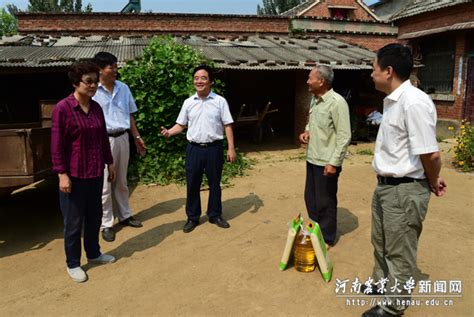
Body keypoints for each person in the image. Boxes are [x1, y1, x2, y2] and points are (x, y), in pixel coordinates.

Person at [362, 44, 447, 317]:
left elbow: (431, 154)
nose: (371, 74)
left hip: (404, 190)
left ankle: (394, 305)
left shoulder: (414, 102)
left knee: (399, 249)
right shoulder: (394, 101)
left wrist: (433, 180)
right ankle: (381, 283)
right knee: (381, 242)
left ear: (388, 71)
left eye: (373, 69)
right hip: (386, 187)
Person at [51, 61, 117, 283]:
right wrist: (62, 174)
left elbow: (102, 139)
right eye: (88, 82)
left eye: (95, 81)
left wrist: (110, 163)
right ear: (75, 83)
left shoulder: (96, 107)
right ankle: (73, 263)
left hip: (95, 171)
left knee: (94, 216)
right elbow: (57, 145)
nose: (93, 86)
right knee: (73, 221)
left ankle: (94, 253)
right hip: (74, 175)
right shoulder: (63, 108)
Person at [161, 65, 236, 233]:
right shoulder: (188, 102)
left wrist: (231, 148)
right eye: (196, 78)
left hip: (214, 149)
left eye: (203, 78)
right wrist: (169, 132)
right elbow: (181, 125)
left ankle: (215, 214)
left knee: (215, 183)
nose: (199, 81)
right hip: (194, 149)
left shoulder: (219, 101)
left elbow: (228, 125)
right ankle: (192, 217)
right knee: (192, 183)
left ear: (211, 82)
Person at [92, 52, 146, 242]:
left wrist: (136, 137)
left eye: (115, 66)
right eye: (111, 67)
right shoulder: (93, 92)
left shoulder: (123, 88)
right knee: (105, 184)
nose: (115, 70)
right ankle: (106, 223)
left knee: (121, 180)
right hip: (102, 141)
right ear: (100, 70)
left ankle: (124, 215)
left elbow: (130, 116)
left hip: (122, 138)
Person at [299, 65, 351, 249]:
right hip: (312, 158)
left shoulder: (337, 102)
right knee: (310, 198)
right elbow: (311, 122)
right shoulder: (315, 100)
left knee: (326, 200)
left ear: (321, 81)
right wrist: (306, 132)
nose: (307, 81)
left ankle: (327, 238)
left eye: (310, 78)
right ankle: (316, 229)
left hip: (327, 162)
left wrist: (334, 163)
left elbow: (344, 136)